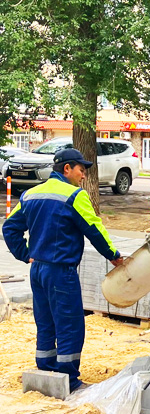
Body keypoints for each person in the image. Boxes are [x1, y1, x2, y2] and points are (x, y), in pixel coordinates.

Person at [2, 148, 125, 392]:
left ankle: (46, 368)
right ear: (67, 169)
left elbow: (10, 228)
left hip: (38, 271)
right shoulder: (75, 196)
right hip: (61, 272)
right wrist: (114, 255)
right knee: (70, 324)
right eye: (81, 170)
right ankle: (68, 379)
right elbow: (94, 229)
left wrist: (26, 255)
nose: (84, 176)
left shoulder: (30, 194)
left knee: (45, 321)